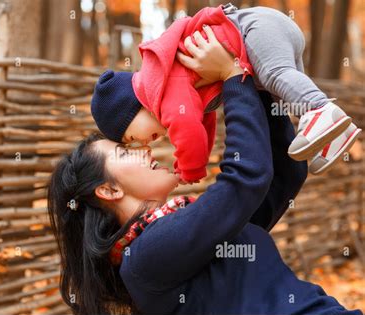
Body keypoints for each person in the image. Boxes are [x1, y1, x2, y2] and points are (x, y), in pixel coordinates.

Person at [47, 34, 362, 315]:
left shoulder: (188, 227)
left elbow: (285, 174)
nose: (145, 150)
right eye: (124, 152)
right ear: (109, 190)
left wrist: (260, 80)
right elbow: (244, 181)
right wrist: (233, 77)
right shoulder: (144, 260)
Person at [90, 5, 361, 183]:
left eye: (130, 136)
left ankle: (320, 109)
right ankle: (338, 135)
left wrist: (190, 169)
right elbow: (201, 126)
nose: (142, 143)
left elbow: (187, 130)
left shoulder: (160, 90)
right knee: (283, 93)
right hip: (267, 31)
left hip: (254, 31)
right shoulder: (175, 91)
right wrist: (197, 160)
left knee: (276, 75)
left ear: (133, 108)